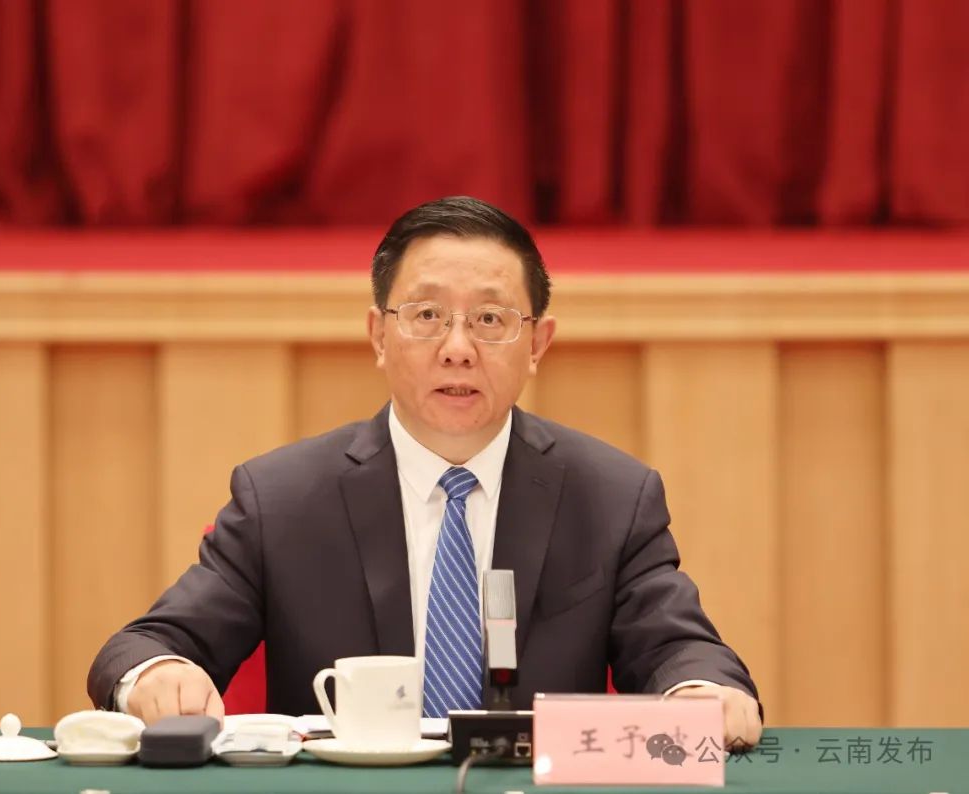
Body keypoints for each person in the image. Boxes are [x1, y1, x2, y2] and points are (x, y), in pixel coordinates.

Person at [87, 196, 763, 748]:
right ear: (379, 336)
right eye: (427, 316)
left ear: (537, 343)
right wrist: (158, 673)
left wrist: (702, 692)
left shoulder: (610, 498)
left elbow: (681, 650)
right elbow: (147, 644)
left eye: (491, 318)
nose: (458, 349)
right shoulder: (284, 500)